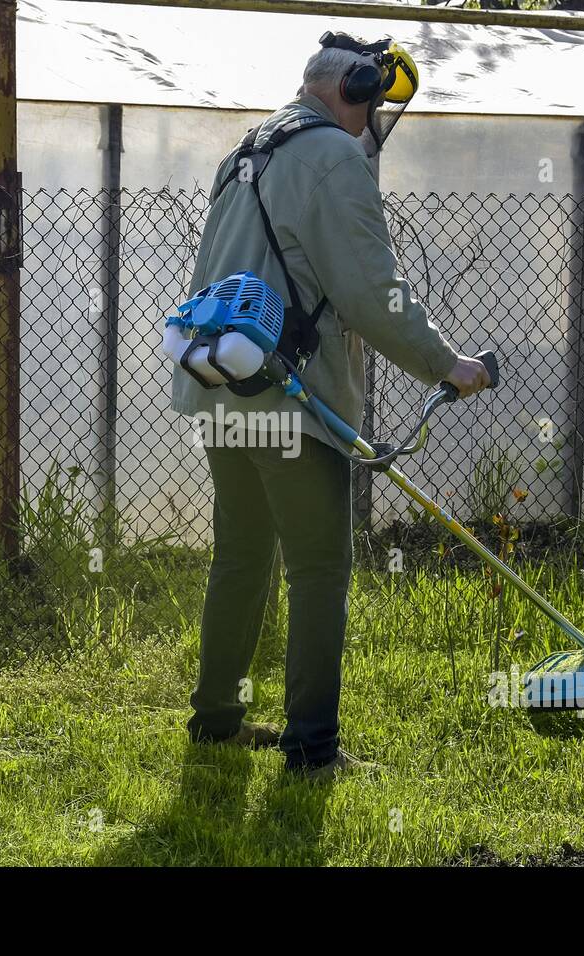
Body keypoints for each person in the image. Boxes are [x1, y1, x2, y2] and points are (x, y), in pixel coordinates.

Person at [171, 31, 491, 783]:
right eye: (371, 100)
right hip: (292, 399)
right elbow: (371, 294)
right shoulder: (333, 159)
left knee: (241, 559)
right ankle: (311, 750)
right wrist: (450, 365)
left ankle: (215, 721)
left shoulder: (248, 152)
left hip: (224, 389)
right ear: (347, 89)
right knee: (319, 572)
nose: (372, 118)